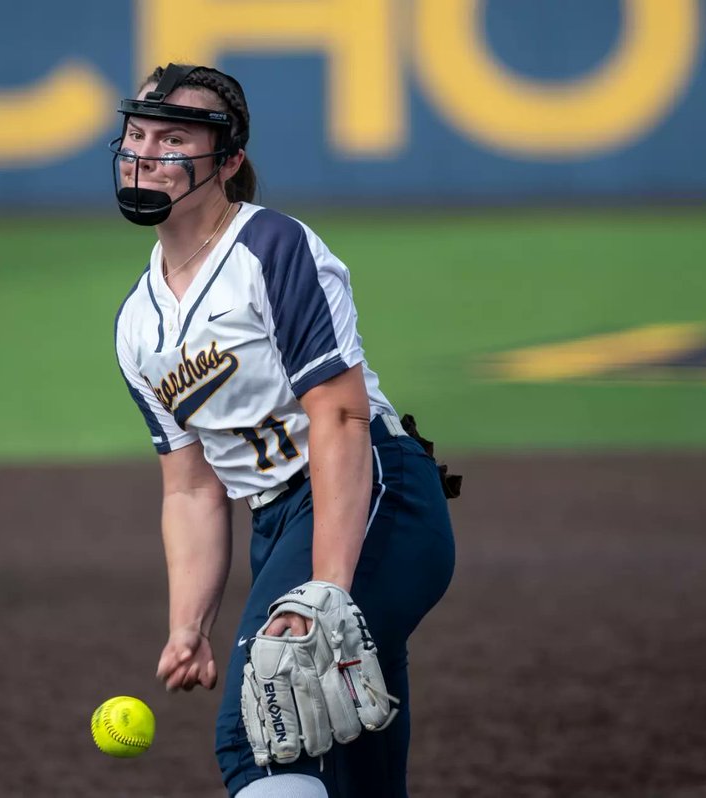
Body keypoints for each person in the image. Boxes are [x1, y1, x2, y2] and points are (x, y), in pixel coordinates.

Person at [110, 63, 457, 798]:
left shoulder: (269, 248)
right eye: (137, 133)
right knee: (351, 759)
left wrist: (326, 590)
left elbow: (340, 414)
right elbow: (194, 488)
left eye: (174, 139)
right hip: (278, 523)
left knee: (262, 726)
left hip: (373, 496)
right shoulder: (137, 324)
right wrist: (188, 623)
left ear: (227, 160)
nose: (145, 152)